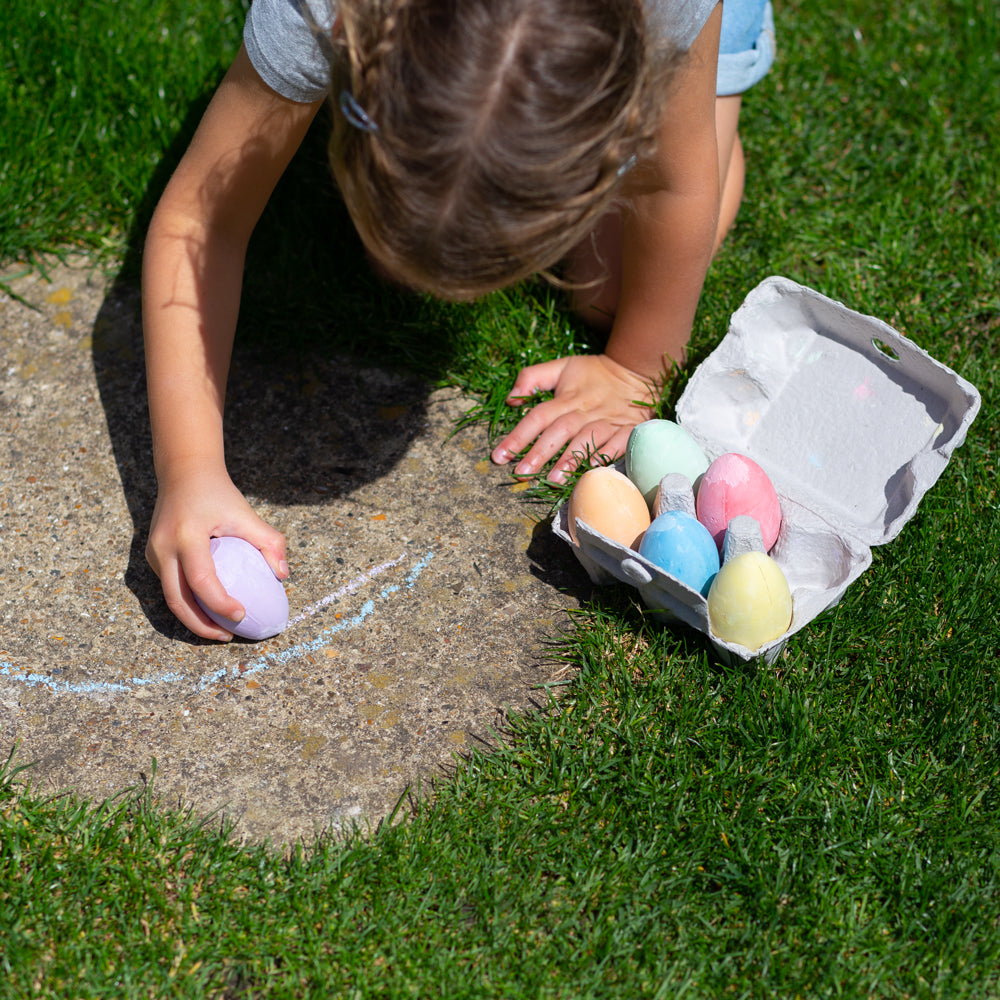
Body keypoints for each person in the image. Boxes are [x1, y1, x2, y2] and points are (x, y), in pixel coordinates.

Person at [142, 0, 776, 640]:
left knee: (608, 295)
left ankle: (712, 93)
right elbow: (199, 220)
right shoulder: (317, 10)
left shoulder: (666, 11)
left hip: (696, 25)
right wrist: (190, 471)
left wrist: (633, 364)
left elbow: (675, 184)